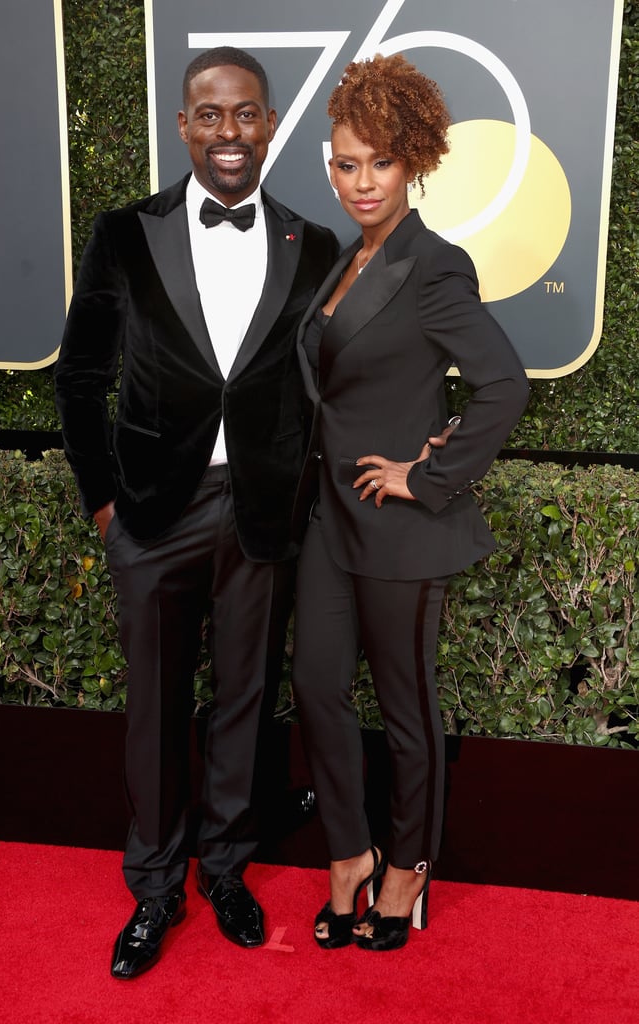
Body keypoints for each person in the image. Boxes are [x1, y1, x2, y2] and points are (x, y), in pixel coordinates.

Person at [54, 46, 338, 978]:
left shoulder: (314, 244)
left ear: (268, 124)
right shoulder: (123, 234)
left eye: (246, 113)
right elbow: (83, 375)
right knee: (156, 707)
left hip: (255, 515)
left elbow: (320, 388)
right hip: (151, 510)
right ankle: (155, 888)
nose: (229, 132)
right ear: (183, 127)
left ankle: (224, 870)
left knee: (243, 703)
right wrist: (102, 500)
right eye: (210, 115)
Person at [291, 53, 529, 952]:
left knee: (405, 709)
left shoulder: (434, 265)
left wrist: (426, 473)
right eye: (345, 162)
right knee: (315, 685)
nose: (360, 181)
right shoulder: (347, 260)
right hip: (328, 521)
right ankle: (349, 853)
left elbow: (503, 386)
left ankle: (407, 871)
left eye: (379, 162)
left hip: (398, 528)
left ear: (414, 162)